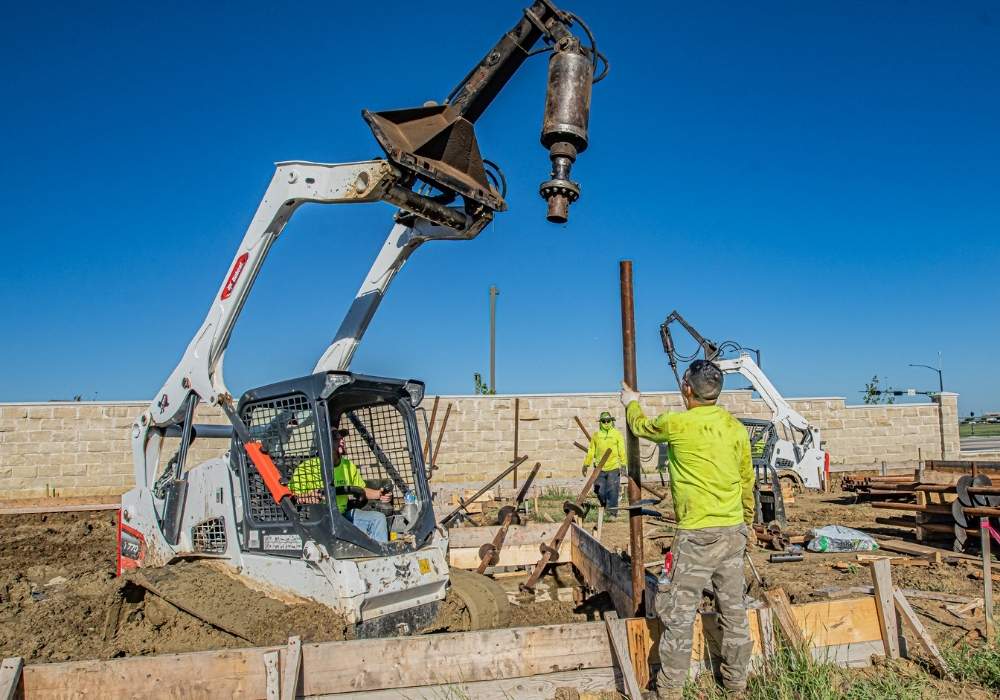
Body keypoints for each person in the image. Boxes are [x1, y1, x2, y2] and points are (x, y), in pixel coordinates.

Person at [620, 360, 756, 699]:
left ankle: (669, 690)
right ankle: (736, 684)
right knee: (734, 612)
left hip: (696, 535)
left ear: (687, 389)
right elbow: (746, 482)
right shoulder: (736, 429)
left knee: (679, 615)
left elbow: (640, 427)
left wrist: (630, 402)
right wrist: (747, 525)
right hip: (732, 531)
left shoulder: (677, 423)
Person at [288, 426, 393, 543]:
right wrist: (307, 497)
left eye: (341, 437)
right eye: (336, 438)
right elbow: (292, 497)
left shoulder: (348, 465)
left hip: (342, 515)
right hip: (321, 519)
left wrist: (379, 494)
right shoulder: (306, 468)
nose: (342, 440)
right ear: (324, 443)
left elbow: (360, 489)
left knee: (378, 519)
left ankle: (381, 555)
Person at [582, 411, 627, 518]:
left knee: (612, 490)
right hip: (599, 468)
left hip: (613, 467)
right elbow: (591, 450)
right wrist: (586, 464)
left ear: (611, 421)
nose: (606, 423)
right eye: (604, 421)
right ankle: (605, 505)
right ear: (600, 422)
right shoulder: (596, 435)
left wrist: (623, 465)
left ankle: (612, 513)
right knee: (599, 490)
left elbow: (621, 450)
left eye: (608, 421)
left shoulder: (616, 434)